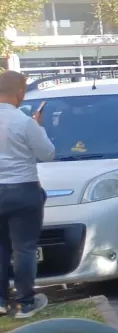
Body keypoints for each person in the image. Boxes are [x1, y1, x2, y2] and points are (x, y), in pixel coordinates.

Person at [0, 71, 54, 319]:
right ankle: (25, 302)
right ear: (20, 93)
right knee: (24, 248)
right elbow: (47, 154)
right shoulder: (25, 122)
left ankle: (1, 301)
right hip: (23, 189)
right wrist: (39, 127)